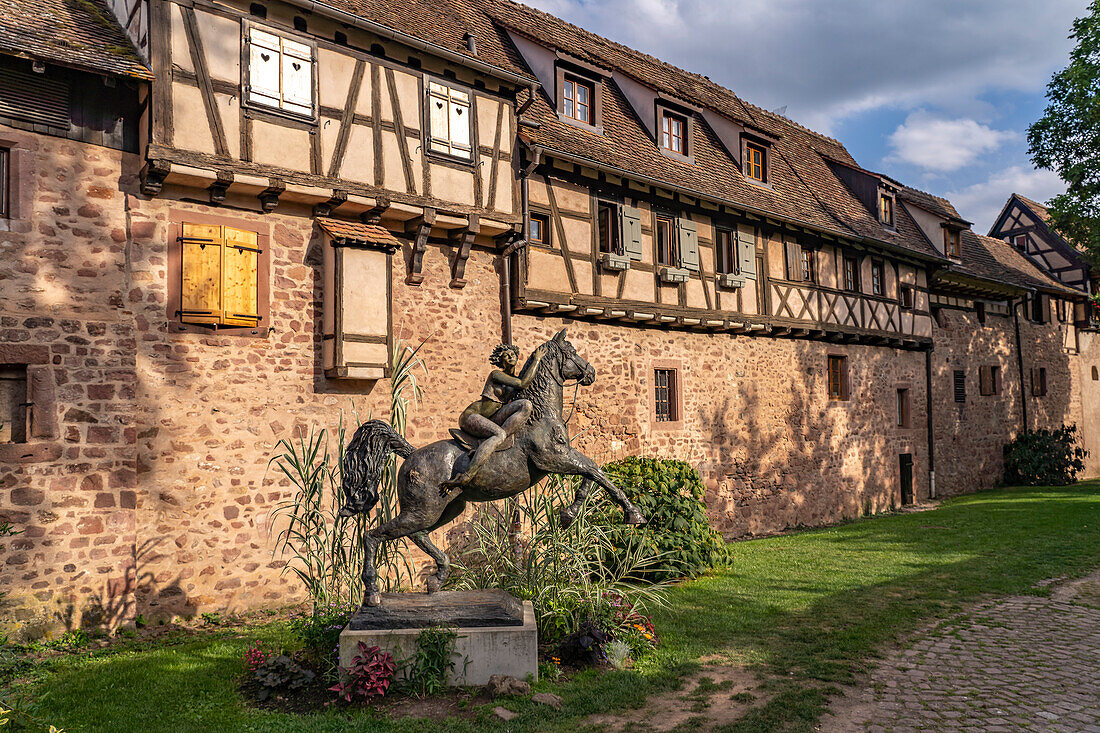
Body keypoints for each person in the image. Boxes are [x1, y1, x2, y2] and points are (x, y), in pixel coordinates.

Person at [443, 343, 545, 490]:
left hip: (493, 418)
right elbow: (523, 383)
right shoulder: (496, 374)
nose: (510, 357)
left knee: (525, 405)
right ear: (501, 361)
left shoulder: (513, 379)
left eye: (512, 354)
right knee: (499, 433)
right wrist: (537, 360)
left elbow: (527, 384)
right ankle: (467, 475)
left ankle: (494, 444)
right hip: (472, 416)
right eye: (506, 355)